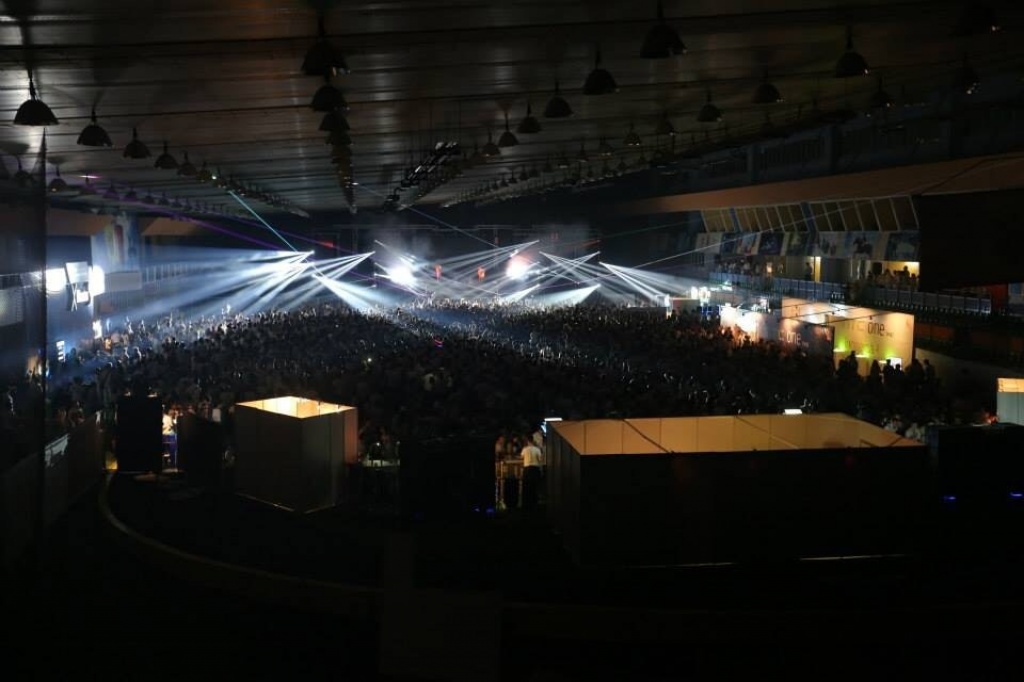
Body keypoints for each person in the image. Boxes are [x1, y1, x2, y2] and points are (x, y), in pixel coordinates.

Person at [520, 434, 543, 510]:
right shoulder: (537, 449)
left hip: (527, 469)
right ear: (533, 441)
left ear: (528, 441)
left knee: (527, 486)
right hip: (535, 469)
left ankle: (527, 502)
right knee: (534, 486)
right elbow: (540, 460)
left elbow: (521, 457)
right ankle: (534, 502)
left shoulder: (525, 449)